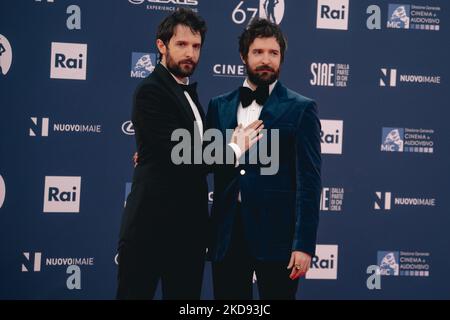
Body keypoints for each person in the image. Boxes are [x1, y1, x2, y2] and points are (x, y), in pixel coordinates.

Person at [117, 8, 263, 300]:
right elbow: (180, 154)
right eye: (181, 45)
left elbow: (191, 152)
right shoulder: (150, 91)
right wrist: (234, 147)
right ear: (162, 46)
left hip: (189, 233)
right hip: (150, 229)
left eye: (196, 46)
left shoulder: (189, 93)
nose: (190, 54)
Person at [207, 18, 322, 300]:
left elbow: (309, 183)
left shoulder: (301, 109)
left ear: (281, 58)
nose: (266, 60)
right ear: (244, 56)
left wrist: (303, 245)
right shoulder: (218, 106)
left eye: (273, 53)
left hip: (278, 239)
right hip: (227, 236)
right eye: (258, 52)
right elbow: (205, 163)